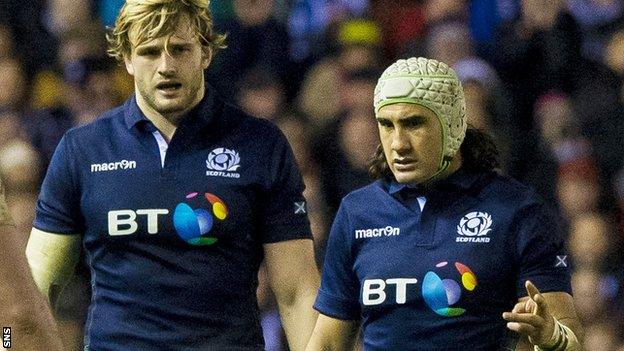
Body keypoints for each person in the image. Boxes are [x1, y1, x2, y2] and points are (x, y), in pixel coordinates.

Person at [24, 0, 319, 350]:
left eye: (180, 49)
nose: (166, 66)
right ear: (127, 60)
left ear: (206, 52)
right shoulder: (82, 150)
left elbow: (297, 292)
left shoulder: (260, 145)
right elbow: (35, 292)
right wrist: (7, 342)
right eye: (149, 52)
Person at [306, 57, 583, 350]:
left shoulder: (517, 210)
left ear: (453, 124)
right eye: (387, 124)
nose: (398, 143)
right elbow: (326, 342)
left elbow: (571, 336)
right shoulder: (357, 213)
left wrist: (552, 337)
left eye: (414, 123)